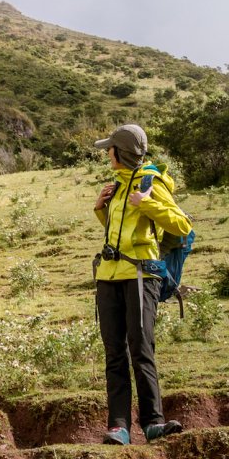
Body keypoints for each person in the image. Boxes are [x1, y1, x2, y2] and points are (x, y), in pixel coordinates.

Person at [91, 124, 190, 446]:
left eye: (110, 148)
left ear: (120, 152)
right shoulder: (116, 185)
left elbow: (182, 225)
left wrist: (146, 203)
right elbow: (117, 231)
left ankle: (153, 423)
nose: (107, 153)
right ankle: (118, 427)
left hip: (140, 276)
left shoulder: (151, 182)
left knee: (141, 348)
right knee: (114, 353)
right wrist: (100, 209)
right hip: (108, 276)